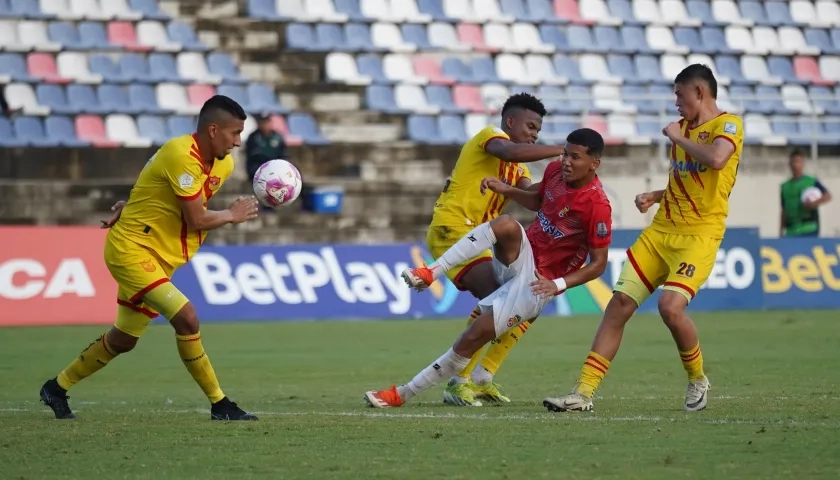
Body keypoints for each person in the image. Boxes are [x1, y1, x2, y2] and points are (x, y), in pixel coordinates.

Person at [39, 95, 261, 421]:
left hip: (160, 255)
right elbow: (196, 218)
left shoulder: (223, 164)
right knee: (187, 318)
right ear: (213, 130)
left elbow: (157, 188)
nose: (239, 142)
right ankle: (220, 404)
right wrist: (231, 214)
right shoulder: (180, 154)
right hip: (131, 250)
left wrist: (129, 205)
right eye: (234, 133)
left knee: (125, 338)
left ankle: (56, 388)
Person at [544, 64, 743, 414]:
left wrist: (678, 139)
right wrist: (655, 194)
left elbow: (715, 160)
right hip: (660, 232)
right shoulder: (682, 129)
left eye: (680, 95)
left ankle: (697, 377)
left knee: (670, 307)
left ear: (699, 92)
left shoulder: (728, 126)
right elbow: (688, 182)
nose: (676, 102)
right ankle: (583, 393)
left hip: (698, 237)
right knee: (618, 305)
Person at [364, 128, 612, 408]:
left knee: (471, 338)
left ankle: (404, 393)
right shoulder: (556, 171)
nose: (566, 161)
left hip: (537, 283)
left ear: (594, 163)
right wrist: (507, 189)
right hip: (524, 254)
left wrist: (557, 285)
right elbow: (538, 201)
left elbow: (599, 264)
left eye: (575, 157)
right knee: (505, 224)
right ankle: (430, 272)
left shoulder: (597, 205)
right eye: (565, 153)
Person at [425, 93, 570, 407]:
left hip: (480, 239)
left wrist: (564, 181)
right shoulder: (490, 137)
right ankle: (458, 382)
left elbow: (532, 194)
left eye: (538, 130)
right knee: (500, 302)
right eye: (531, 127)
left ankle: (483, 376)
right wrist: (563, 149)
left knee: (529, 299)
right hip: (453, 229)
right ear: (510, 122)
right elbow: (512, 151)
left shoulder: (516, 171)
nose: (534, 135)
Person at [780, 149, 832, 237]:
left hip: (809, 228)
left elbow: (828, 196)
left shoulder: (811, 181)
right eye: (793, 162)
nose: (796, 165)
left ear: (803, 164)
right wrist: (780, 232)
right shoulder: (785, 186)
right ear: (790, 164)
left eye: (798, 162)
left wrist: (814, 203)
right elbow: (784, 210)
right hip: (791, 231)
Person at [245, 113, 287, 182]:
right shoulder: (253, 137)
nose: (265, 125)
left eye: (267, 122)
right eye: (262, 122)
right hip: (259, 166)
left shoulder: (278, 137)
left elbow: (284, 154)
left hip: (276, 165)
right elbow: (252, 156)